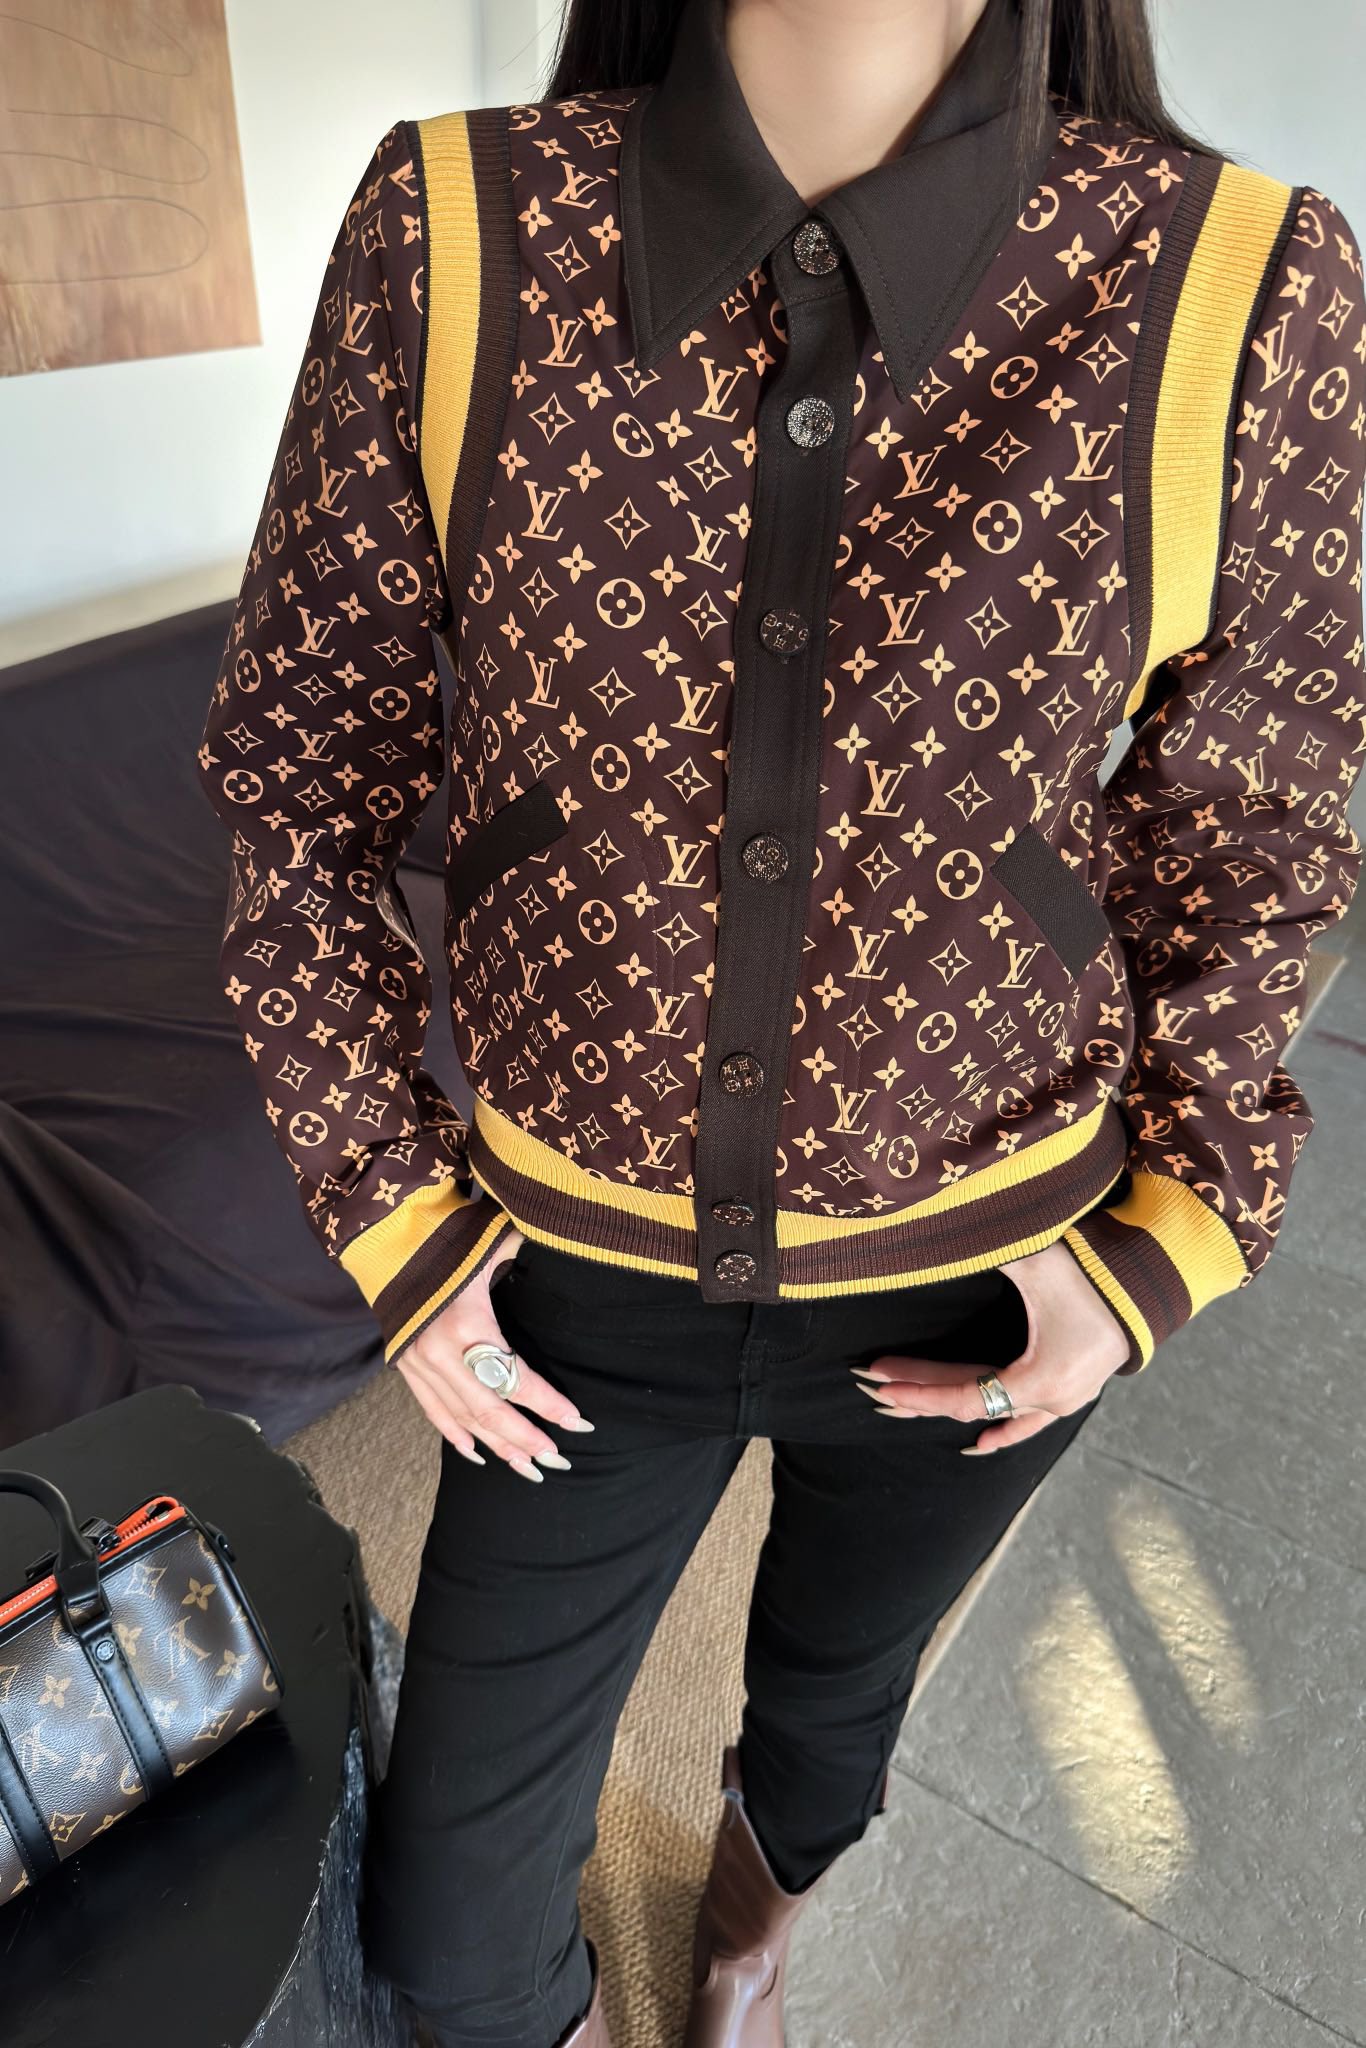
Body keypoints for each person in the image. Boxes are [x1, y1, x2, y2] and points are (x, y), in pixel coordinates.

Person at [195, 0, 1365, 2041]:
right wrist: (388, 1206)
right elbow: (300, 786)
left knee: (834, 1698)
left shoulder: (1235, 280)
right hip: (572, 1279)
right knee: (446, 1935)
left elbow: (1251, 836)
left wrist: (1165, 1238)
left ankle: (758, 1901)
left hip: (990, 1264)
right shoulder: (457, 229)